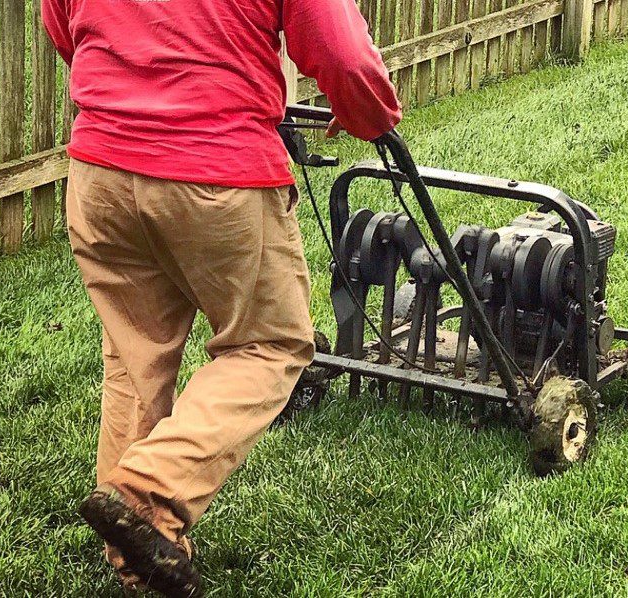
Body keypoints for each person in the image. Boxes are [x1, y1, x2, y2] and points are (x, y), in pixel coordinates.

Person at [40, 0, 401, 595]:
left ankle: (136, 558)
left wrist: (127, 90)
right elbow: (344, 55)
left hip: (100, 171)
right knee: (270, 345)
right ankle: (148, 492)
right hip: (214, 171)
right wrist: (369, 112)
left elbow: (63, 29)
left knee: (135, 357)